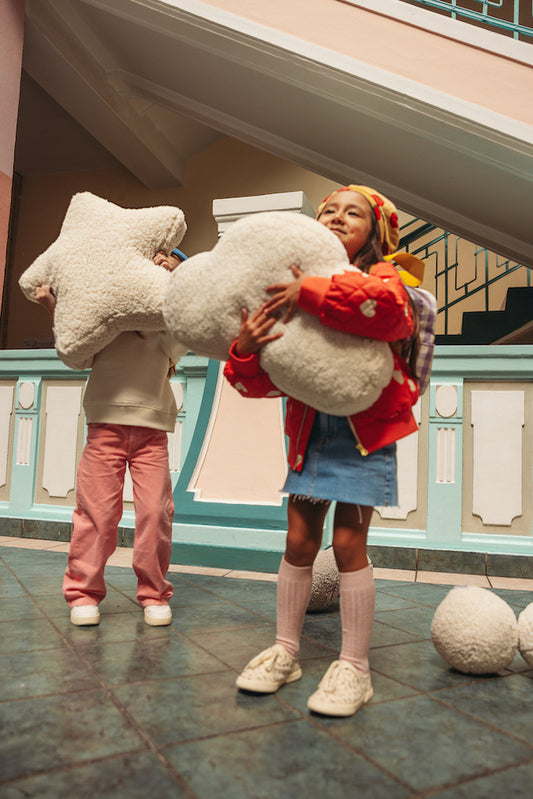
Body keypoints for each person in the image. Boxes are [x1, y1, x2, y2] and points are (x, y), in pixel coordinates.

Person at [224, 185, 429, 717]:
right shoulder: (294, 287)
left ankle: (354, 667)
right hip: (310, 433)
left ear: (378, 231)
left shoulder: (385, 276)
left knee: (346, 546)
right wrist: (244, 349)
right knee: (297, 538)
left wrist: (311, 292)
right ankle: (285, 652)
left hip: (365, 435)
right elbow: (260, 379)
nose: (337, 217)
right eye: (328, 210)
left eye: (352, 212)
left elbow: (389, 313)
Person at [35, 246, 187, 628]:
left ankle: (154, 592)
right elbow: (75, 348)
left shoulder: (165, 329)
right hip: (105, 429)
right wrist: (53, 306)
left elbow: (189, 325)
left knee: (155, 513)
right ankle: (83, 592)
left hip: (152, 434)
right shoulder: (104, 322)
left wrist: (178, 274)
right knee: (97, 515)